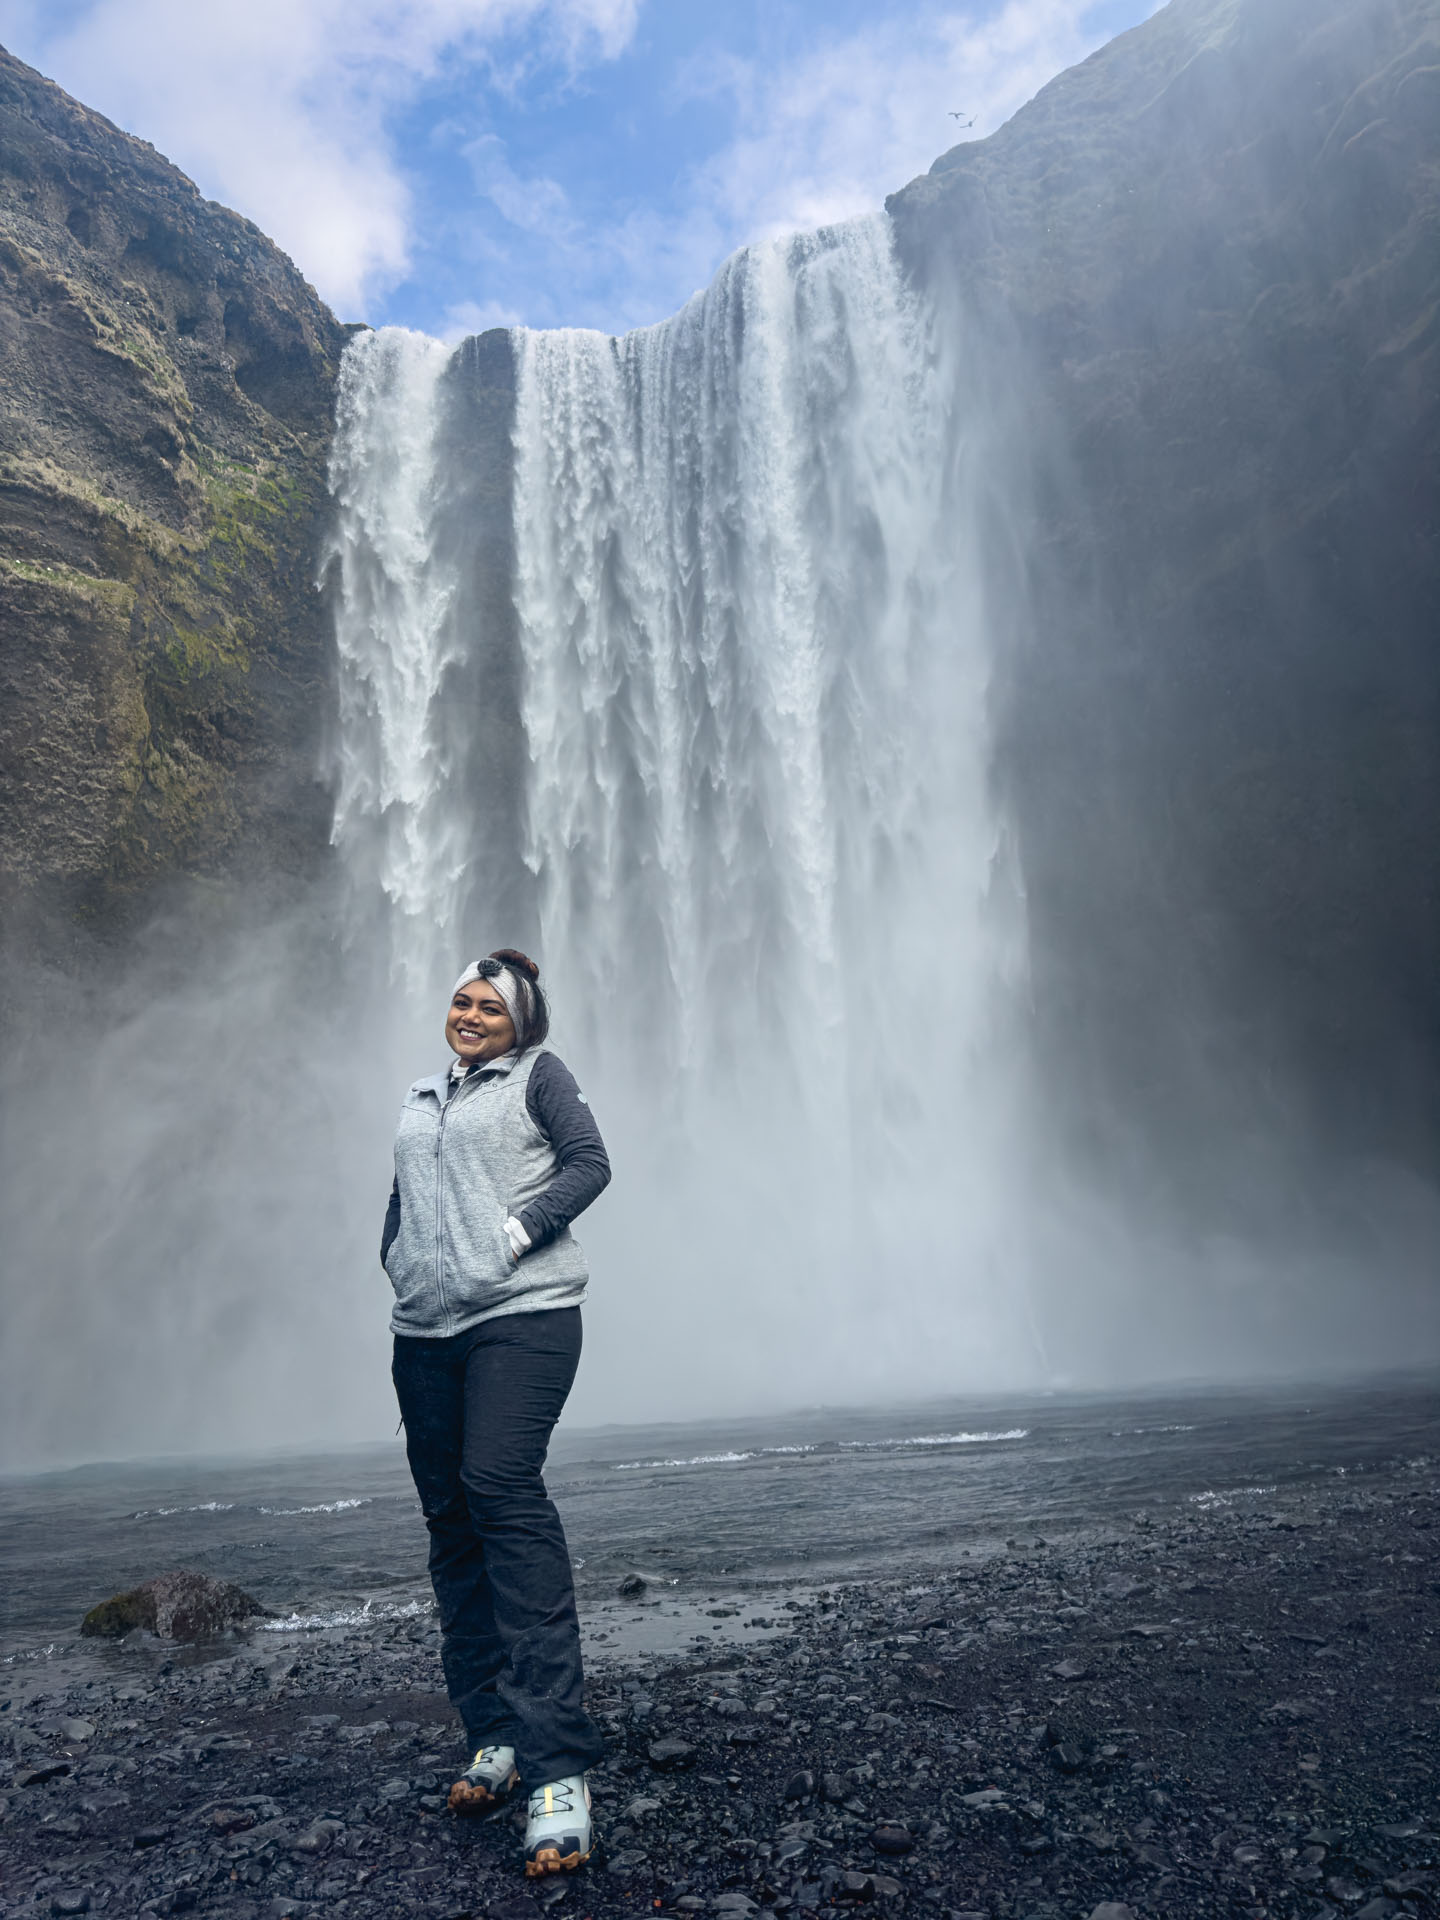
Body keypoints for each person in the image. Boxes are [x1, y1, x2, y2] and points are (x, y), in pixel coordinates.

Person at [382, 948, 610, 1877]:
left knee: (500, 1491)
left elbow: (592, 1163)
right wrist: (396, 1254)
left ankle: (559, 1771)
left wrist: (517, 1234)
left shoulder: (540, 1078)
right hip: (424, 1332)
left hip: (523, 1319)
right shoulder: (423, 1095)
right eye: (460, 1001)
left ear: (522, 1023)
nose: (469, 1014)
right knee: (452, 1523)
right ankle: (494, 1732)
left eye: (489, 1006)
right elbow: (404, 1195)